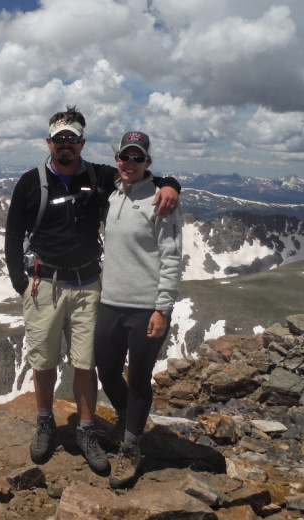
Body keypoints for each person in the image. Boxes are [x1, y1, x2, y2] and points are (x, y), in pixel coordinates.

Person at [4, 106, 181, 473]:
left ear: (82, 143)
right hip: (44, 285)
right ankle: (44, 422)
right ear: (49, 142)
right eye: (59, 139)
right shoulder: (29, 183)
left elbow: (139, 177)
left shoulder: (100, 177)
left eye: (72, 138)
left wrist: (170, 185)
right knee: (44, 360)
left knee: (86, 364)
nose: (65, 144)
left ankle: (85, 431)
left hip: (87, 285)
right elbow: (12, 235)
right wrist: (21, 284)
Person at [94, 131, 183, 488]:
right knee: (107, 371)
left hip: (146, 307)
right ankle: (129, 422)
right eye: (124, 157)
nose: (130, 164)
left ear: (148, 162)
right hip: (110, 302)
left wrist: (162, 309)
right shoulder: (112, 194)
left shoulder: (162, 202)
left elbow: (172, 256)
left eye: (137, 158)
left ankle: (131, 446)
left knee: (139, 378)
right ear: (117, 159)